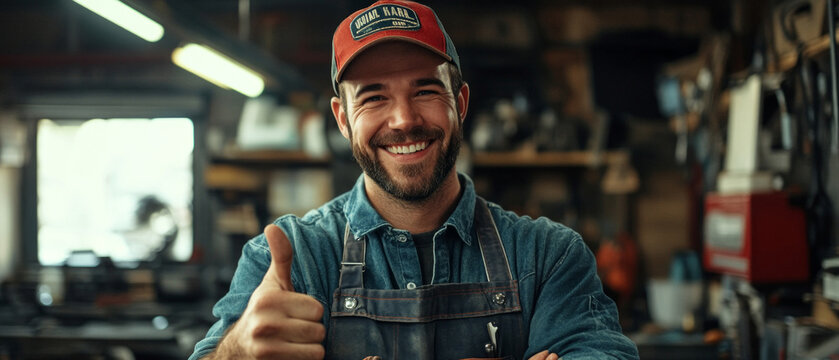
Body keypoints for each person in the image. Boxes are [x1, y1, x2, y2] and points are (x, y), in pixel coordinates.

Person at [190, 1, 639, 359]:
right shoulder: (291, 260)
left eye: (425, 90)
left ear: (459, 102)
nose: (404, 120)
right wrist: (238, 352)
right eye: (374, 97)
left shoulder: (548, 257)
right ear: (343, 120)